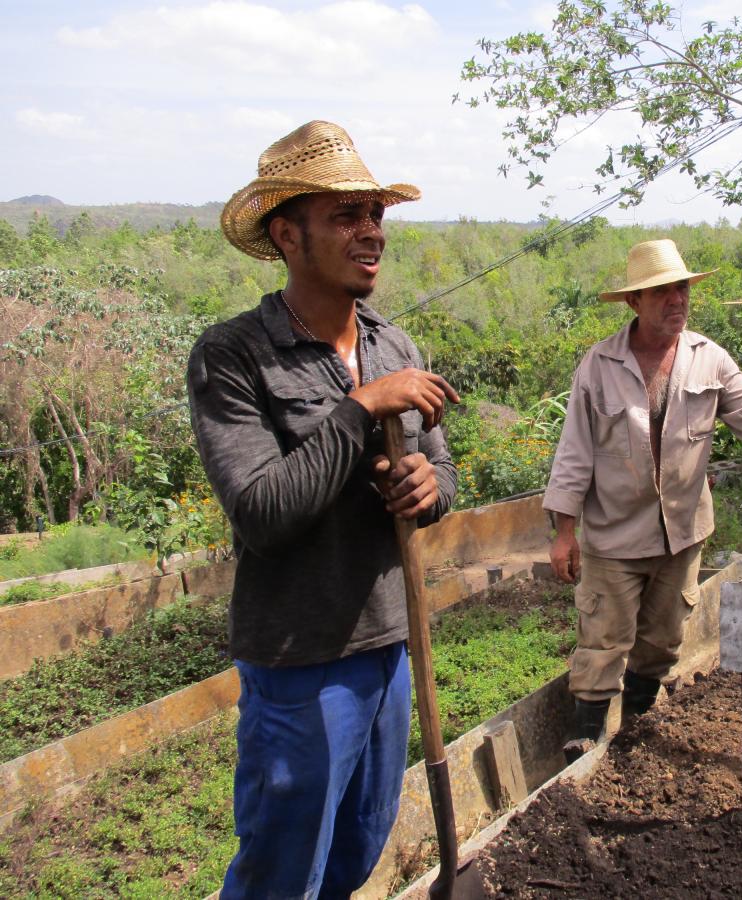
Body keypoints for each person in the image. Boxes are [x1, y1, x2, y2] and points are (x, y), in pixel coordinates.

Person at [186, 120, 459, 899]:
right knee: (283, 870)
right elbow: (261, 512)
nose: (371, 231)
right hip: (300, 666)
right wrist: (358, 408)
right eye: (345, 215)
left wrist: (427, 490)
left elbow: (441, 469)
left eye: (375, 213)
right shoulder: (235, 355)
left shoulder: (392, 344)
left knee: (356, 851)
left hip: (388, 646)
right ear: (287, 234)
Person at [544, 238, 742, 759]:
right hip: (614, 535)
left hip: (682, 532)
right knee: (603, 637)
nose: (676, 300)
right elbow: (574, 452)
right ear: (634, 302)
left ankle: (637, 735)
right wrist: (563, 532)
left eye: (682, 289)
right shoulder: (598, 366)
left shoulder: (708, 360)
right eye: (662, 291)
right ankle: (587, 738)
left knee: (663, 640)